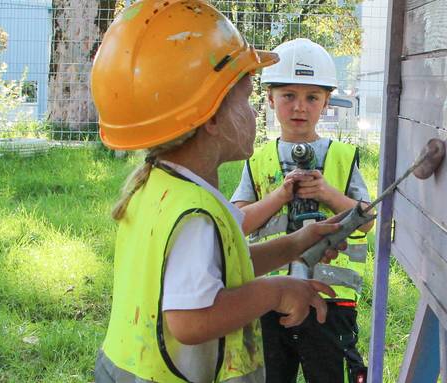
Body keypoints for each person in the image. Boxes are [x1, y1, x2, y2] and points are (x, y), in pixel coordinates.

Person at [91, 2, 349, 382]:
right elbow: (190, 320)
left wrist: (297, 241)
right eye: (245, 99)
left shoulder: (160, 186)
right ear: (210, 117)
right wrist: (277, 291)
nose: (254, 114)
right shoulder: (194, 215)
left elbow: (223, 271)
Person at [231, 38, 374, 383]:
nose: (300, 107)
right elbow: (238, 222)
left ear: (326, 103)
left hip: (331, 300)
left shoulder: (342, 157)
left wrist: (328, 193)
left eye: (312, 97)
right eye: (288, 96)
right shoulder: (257, 160)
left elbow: (367, 219)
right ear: (270, 99)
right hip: (270, 296)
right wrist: (280, 196)